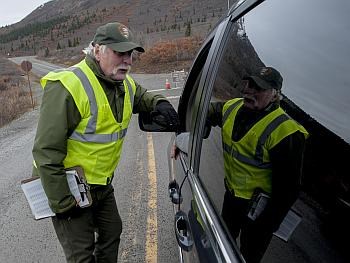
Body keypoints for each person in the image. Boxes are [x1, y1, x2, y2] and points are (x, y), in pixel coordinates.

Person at [32, 22, 179, 263]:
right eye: (119, 53)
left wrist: (160, 102)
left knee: (112, 232)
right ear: (98, 50)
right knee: (82, 255)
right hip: (68, 189)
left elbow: (142, 96)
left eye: (130, 54)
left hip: (100, 186)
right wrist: (63, 204)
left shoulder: (124, 83)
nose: (128, 60)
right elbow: (46, 152)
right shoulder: (69, 85)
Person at [207, 67, 309, 263]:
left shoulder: (286, 132)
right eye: (249, 84)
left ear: (275, 95)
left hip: (259, 212)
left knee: (248, 256)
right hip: (232, 199)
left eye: (259, 88)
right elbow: (207, 113)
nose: (249, 91)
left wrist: (265, 225)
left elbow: (288, 191)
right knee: (222, 246)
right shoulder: (232, 107)